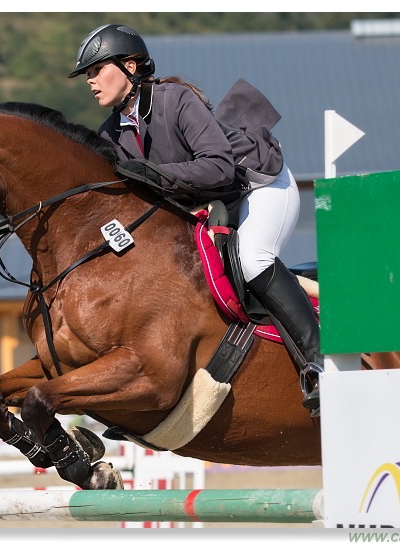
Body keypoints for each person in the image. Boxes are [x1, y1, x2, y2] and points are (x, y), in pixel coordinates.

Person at [69, 24, 323, 415]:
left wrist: (154, 174)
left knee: (253, 259)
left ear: (130, 66)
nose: (90, 81)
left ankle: (317, 362)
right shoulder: (111, 133)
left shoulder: (176, 100)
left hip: (259, 186)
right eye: (87, 74)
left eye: (96, 70)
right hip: (209, 202)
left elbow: (220, 168)